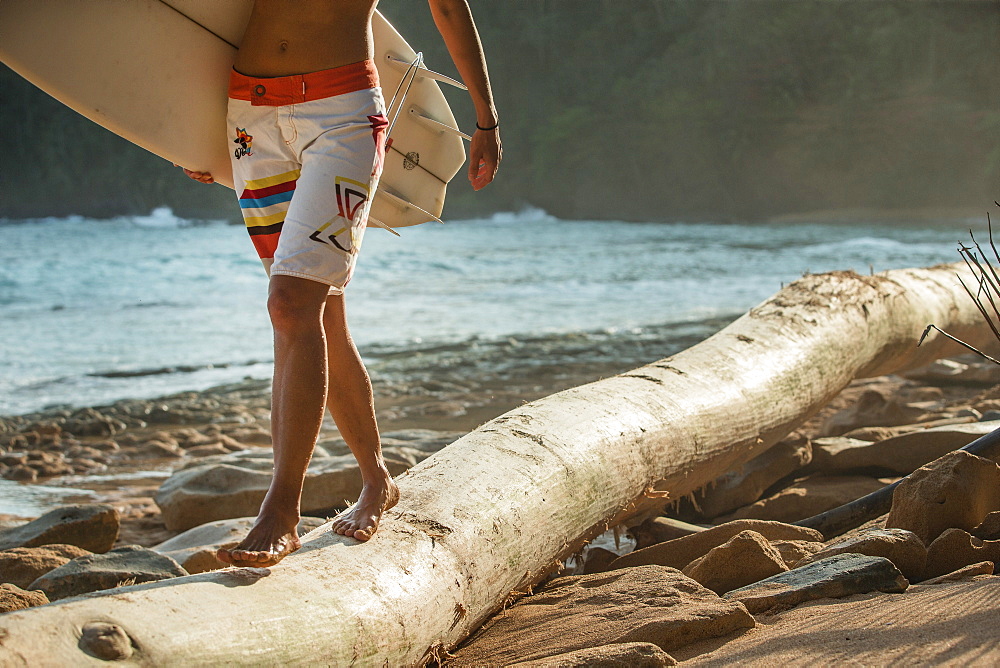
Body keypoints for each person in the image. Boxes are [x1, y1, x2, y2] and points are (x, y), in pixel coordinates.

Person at [180, 0, 501, 567]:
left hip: (342, 118)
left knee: (289, 305)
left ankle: (281, 509)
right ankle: (377, 478)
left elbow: (449, 7)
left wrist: (485, 119)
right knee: (317, 311)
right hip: (251, 114)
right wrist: (184, 131)